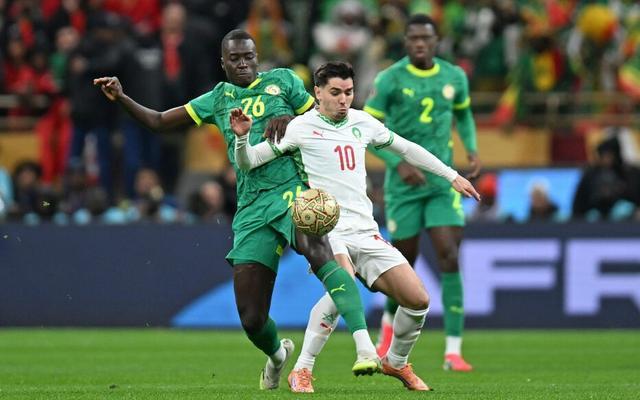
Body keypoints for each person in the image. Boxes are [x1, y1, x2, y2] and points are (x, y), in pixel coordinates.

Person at [94, 30, 379, 389]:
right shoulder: (218, 98)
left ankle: (364, 348)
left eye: (249, 56)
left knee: (320, 253)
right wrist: (122, 97)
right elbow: (159, 121)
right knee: (251, 318)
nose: (243, 63)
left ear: (256, 57)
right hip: (251, 207)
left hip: (293, 192)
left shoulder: (284, 82)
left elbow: (323, 119)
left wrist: (293, 121)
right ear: (223, 62)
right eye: (235, 58)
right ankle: (277, 355)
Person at [230, 61, 480, 392]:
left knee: (418, 300)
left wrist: (452, 175)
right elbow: (249, 162)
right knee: (342, 285)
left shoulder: (363, 122)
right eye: (335, 92)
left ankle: (396, 361)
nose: (343, 99)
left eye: (348, 92)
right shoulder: (300, 128)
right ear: (318, 93)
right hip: (327, 228)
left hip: (365, 229)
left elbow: (406, 148)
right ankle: (302, 368)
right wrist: (242, 139)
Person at [363, 14, 482, 372]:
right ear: (405, 42)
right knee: (404, 263)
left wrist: (471, 149)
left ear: (435, 41)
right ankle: (387, 332)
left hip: (441, 185)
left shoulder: (454, 76)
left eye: (425, 38)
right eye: (413, 38)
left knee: (449, 254)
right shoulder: (390, 79)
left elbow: (464, 114)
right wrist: (397, 163)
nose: (419, 43)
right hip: (404, 188)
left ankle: (453, 351)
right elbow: (367, 129)